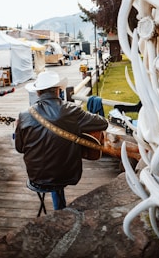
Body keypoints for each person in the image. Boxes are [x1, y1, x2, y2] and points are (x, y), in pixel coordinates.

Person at [15, 71, 108, 210]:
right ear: (58, 90)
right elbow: (103, 123)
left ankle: (58, 209)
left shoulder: (24, 115)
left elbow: (20, 148)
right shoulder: (72, 110)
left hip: (37, 177)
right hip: (66, 174)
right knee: (57, 168)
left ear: (38, 93)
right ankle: (60, 209)